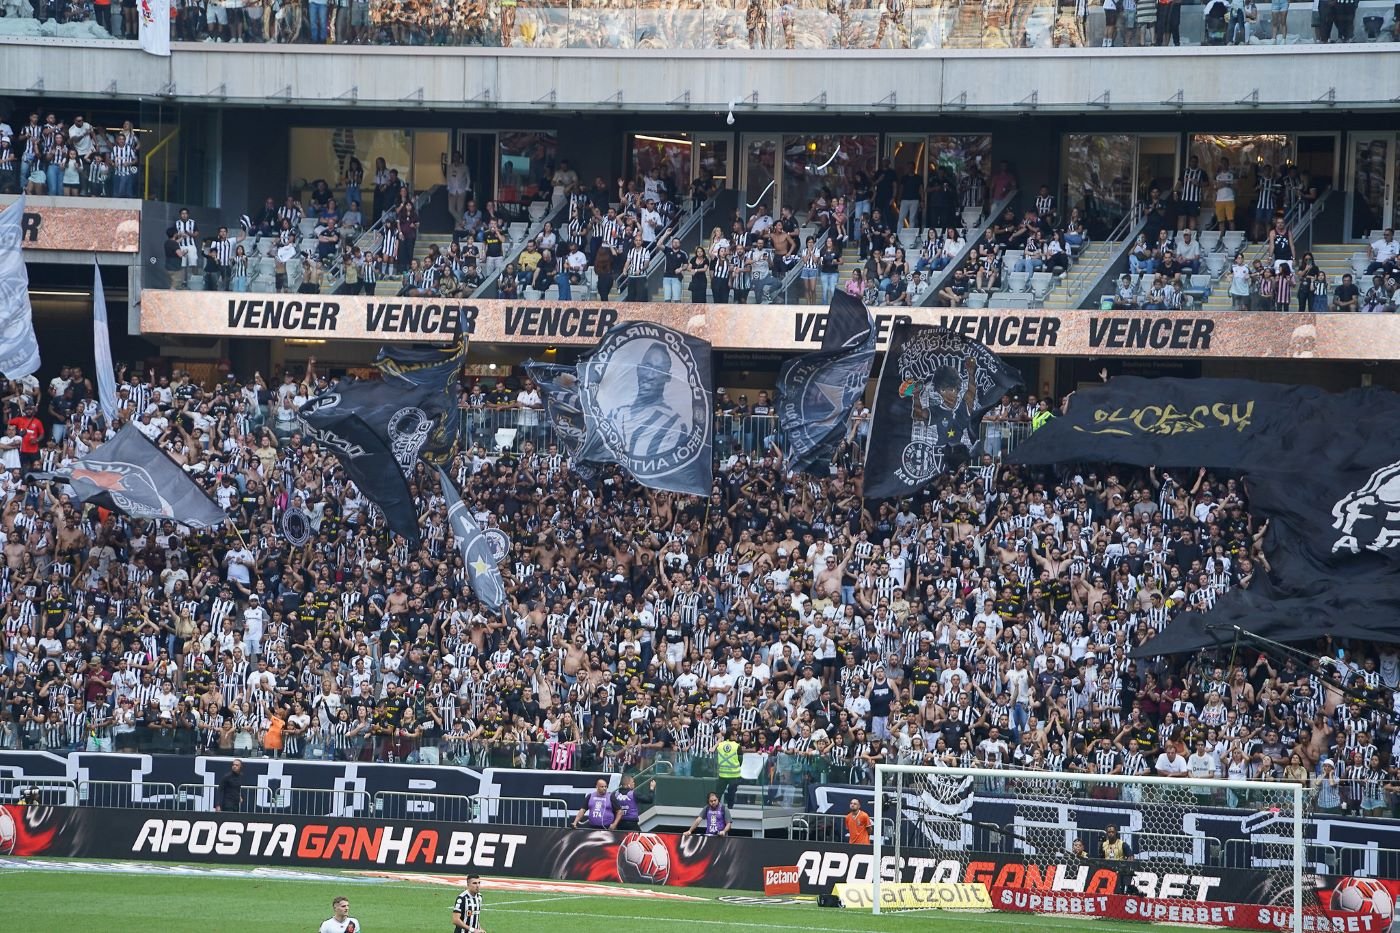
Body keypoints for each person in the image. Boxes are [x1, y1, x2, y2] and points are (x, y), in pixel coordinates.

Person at [714, 729, 742, 807]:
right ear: (731, 736)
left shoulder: (720, 745)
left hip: (722, 774)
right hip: (734, 775)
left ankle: (714, 810)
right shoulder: (737, 746)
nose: (737, 736)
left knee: (718, 794)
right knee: (731, 794)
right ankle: (730, 810)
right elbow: (740, 760)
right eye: (735, 735)